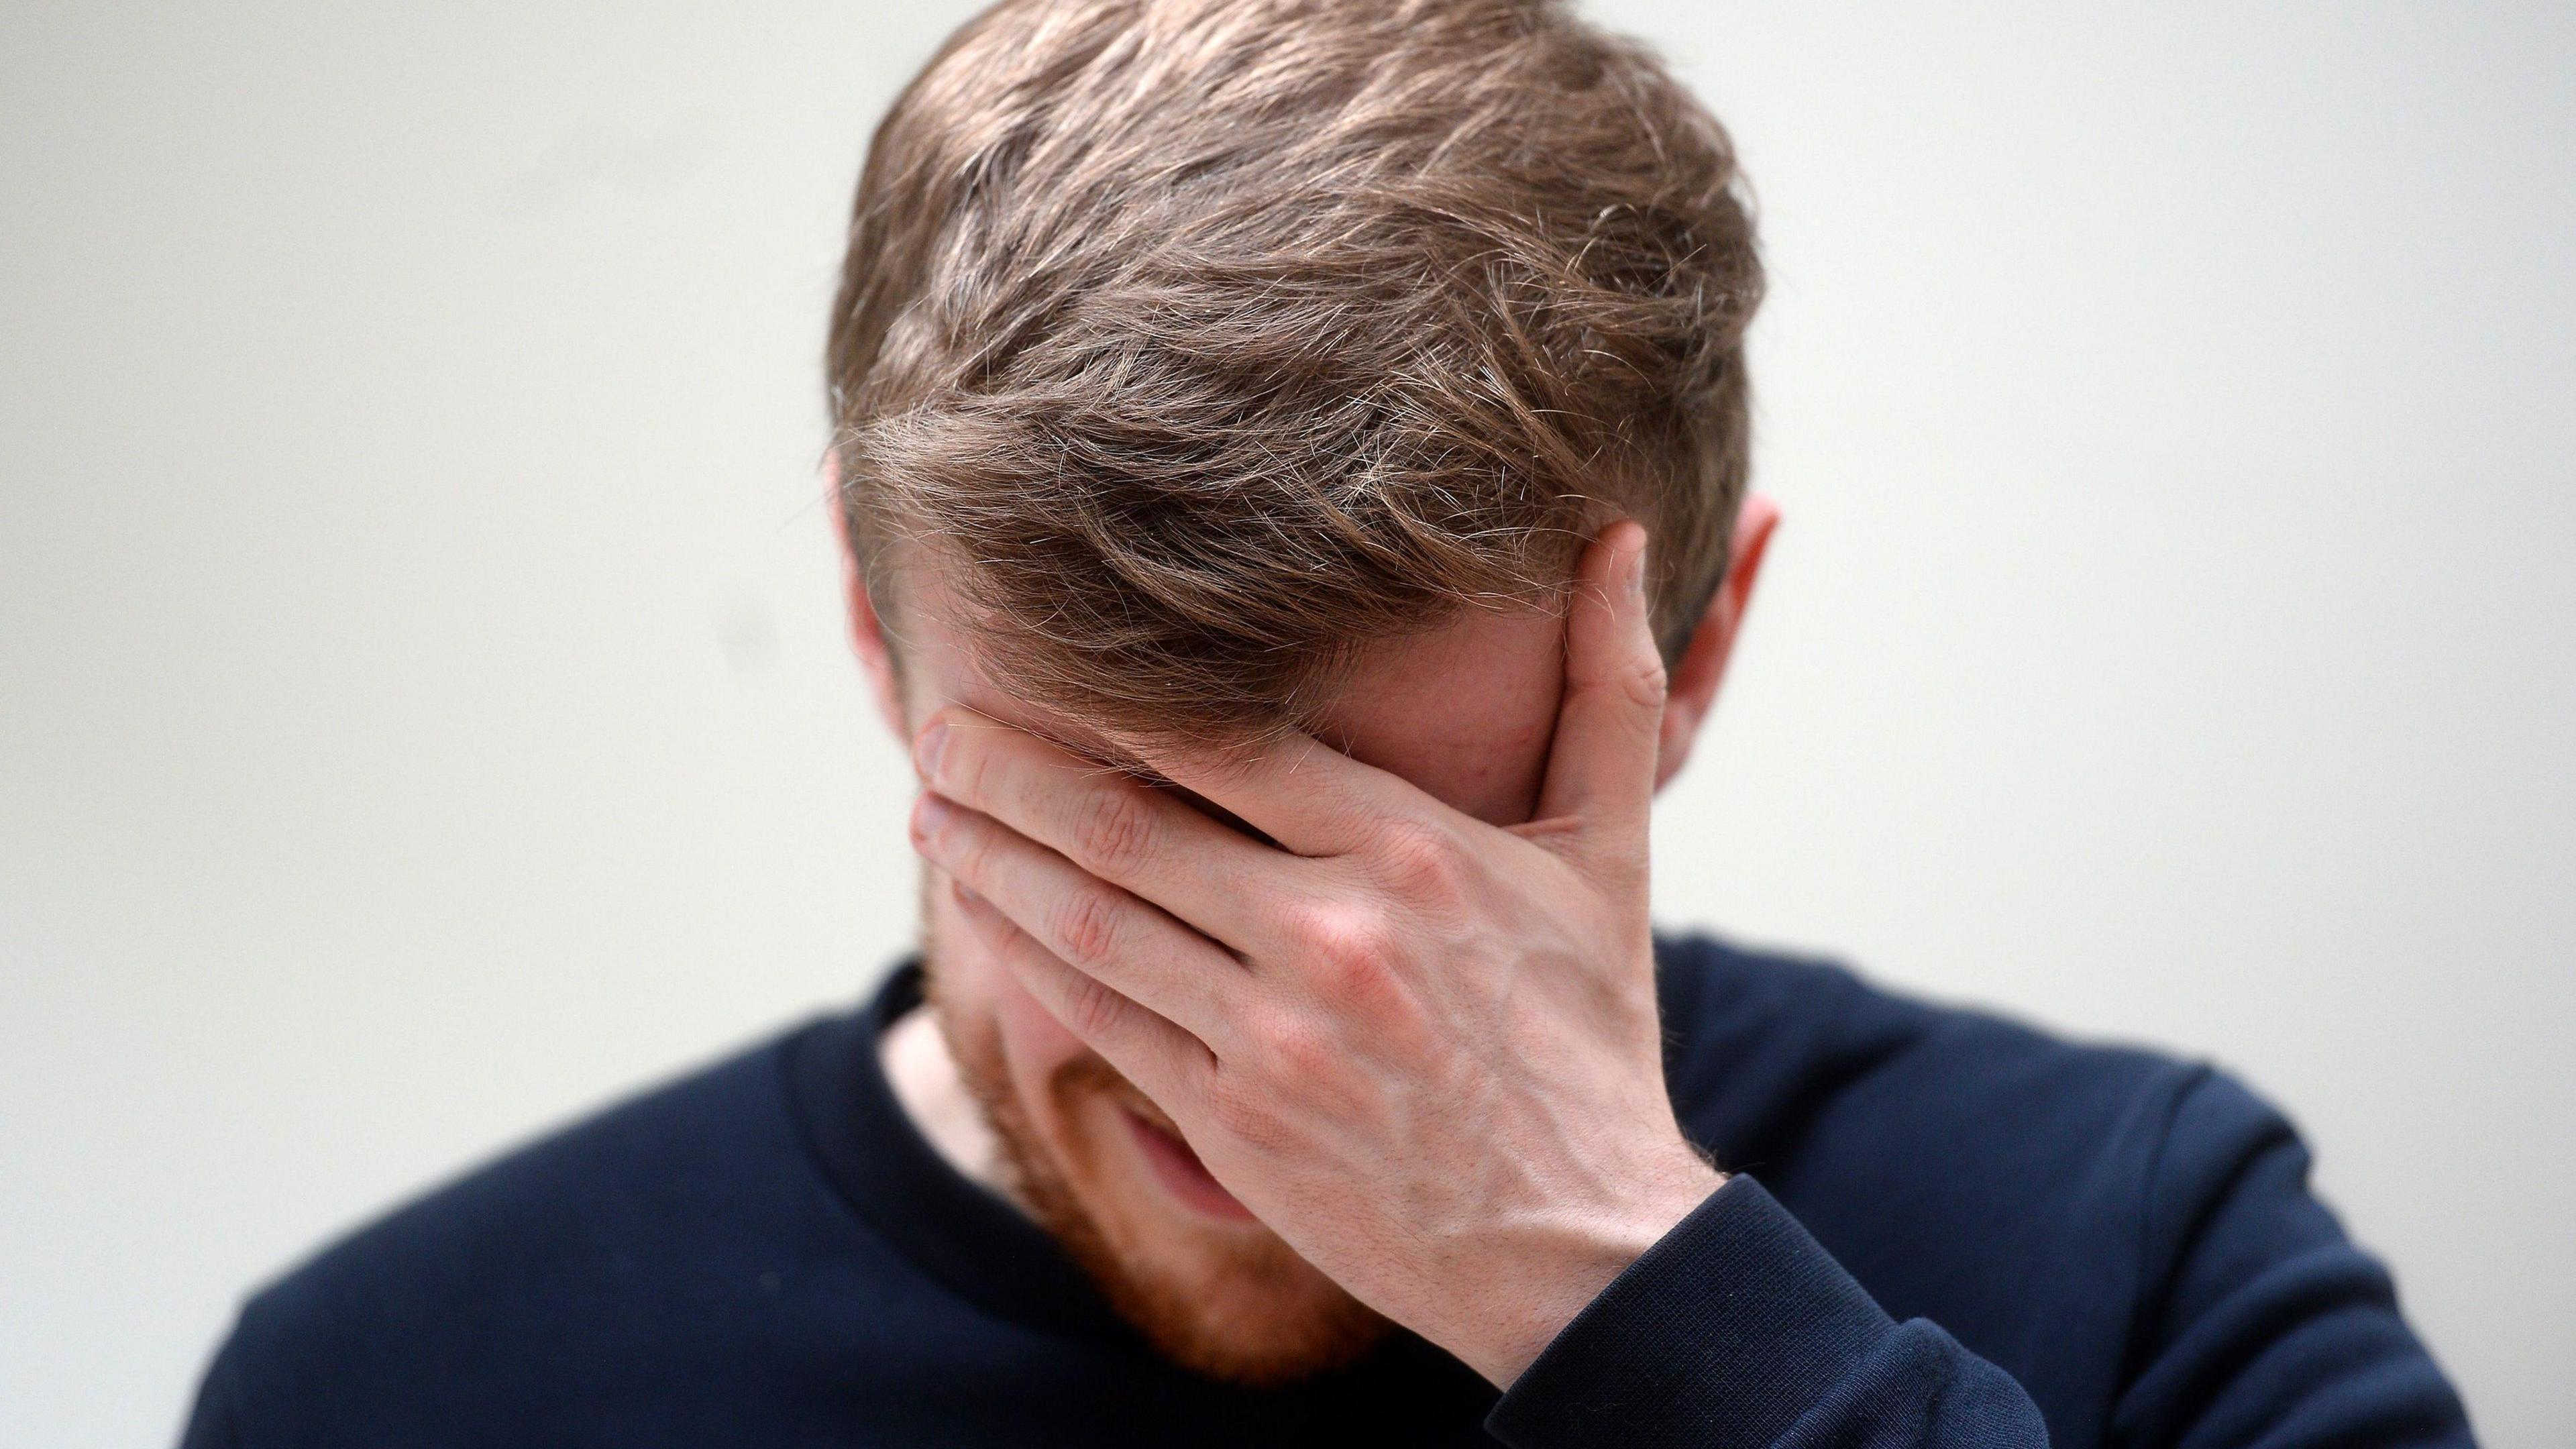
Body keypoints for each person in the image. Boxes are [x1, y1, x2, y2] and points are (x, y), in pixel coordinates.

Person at [178, 1, 2475, 1444]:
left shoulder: (2136, 1252)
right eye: (1118, 836)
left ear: (1703, 654)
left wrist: (1639, 1301)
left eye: (1403, 854)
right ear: (881, 654)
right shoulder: (390, 1389)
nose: (1289, 1038)